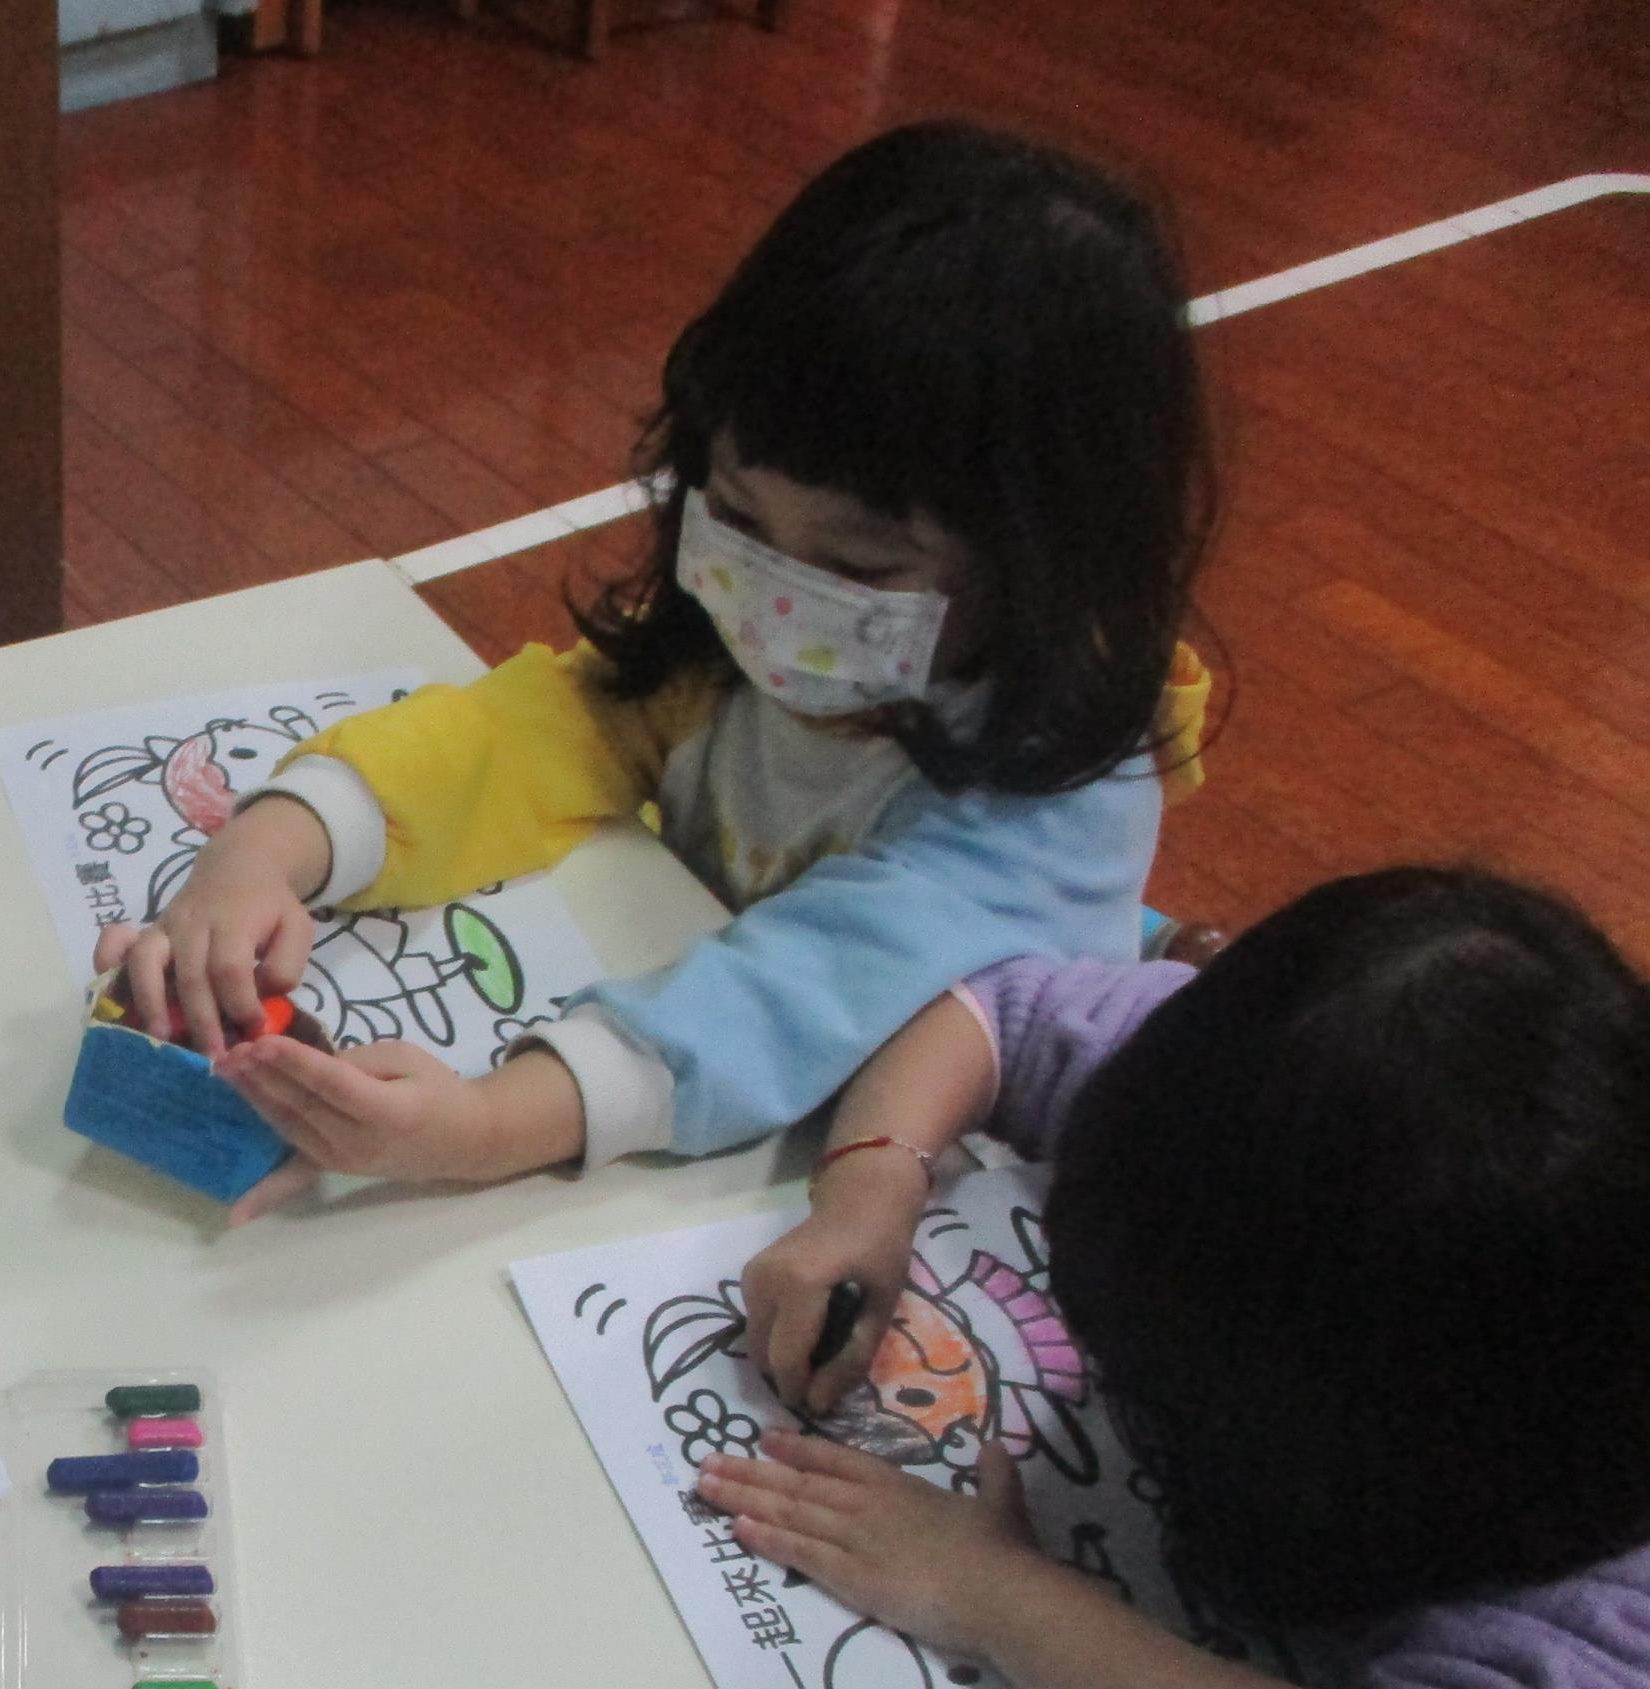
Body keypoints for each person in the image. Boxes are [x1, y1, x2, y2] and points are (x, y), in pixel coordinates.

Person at [106, 122, 1214, 1213]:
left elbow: (791, 994)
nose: (775, 596)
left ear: (1050, 559)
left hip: (929, 1197)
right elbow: (542, 727)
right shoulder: (746, 646)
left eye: (858, 566)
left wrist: (491, 1124)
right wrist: (271, 845)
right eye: (737, 515)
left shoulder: (1050, 809)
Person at [696, 869, 1650, 1689]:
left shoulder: (1596, 1556)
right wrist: (870, 1191)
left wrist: (999, 1597)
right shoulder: (1261, 1110)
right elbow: (997, 1012)